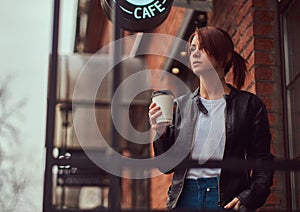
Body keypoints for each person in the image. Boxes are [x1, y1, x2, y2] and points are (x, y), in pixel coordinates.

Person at [148, 26, 274, 210]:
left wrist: (249, 197)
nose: (195, 53)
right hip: (184, 197)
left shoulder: (248, 105)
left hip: (225, 198)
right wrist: (161, 132)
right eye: (192, 49)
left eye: (203, 47)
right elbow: (166, 166)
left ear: (226, 56)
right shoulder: (182, 106)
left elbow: (263, 162)